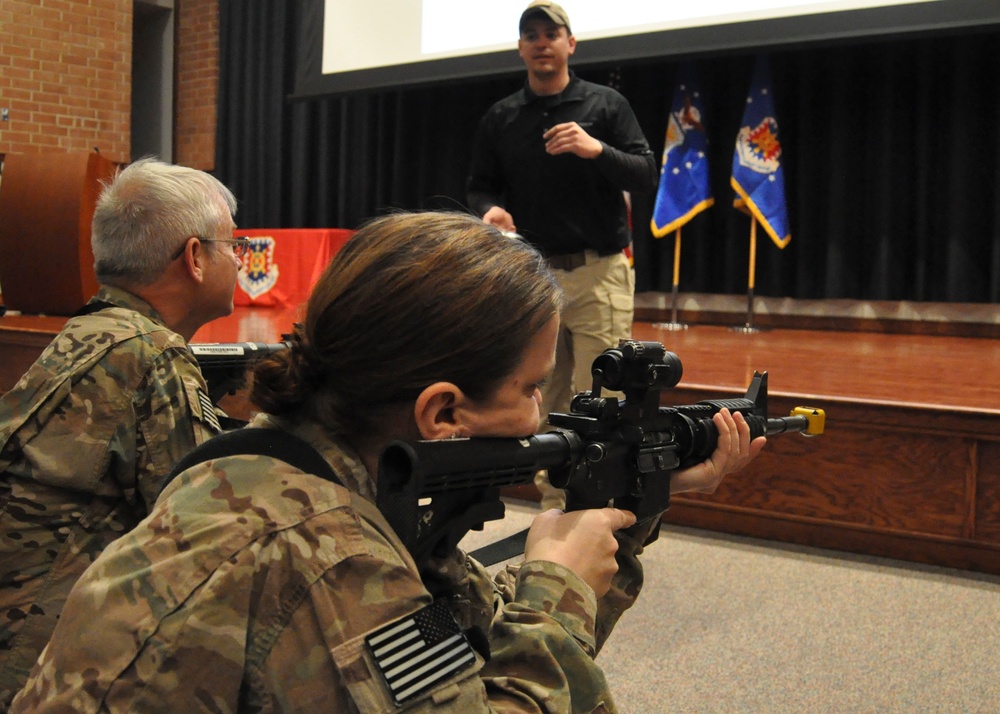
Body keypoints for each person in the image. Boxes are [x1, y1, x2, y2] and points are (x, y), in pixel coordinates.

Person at [11, 211, 764, 712]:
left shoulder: (270, 470)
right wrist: (555, 586)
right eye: (534, 388)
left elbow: (458, 649)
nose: (543, 414)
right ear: (441, 412)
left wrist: (629, 512)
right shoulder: (329, 552)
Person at [0, 158, 244, 704]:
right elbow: (207, 537)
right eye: (234, 244)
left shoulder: (91, 332)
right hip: (41, 669)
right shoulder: (153, 356)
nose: (238, 259)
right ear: (195, 258)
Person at [466, 1, 658, 508]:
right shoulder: (502, 117)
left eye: (551, 33)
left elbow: (644, 173)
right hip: (534, 280)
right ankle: (556, 505)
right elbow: (480, 187)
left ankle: (605, 503)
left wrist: (595, 149)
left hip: (598, 273)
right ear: (521, 48)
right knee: (542, 398)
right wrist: (491, 212)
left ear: (570, 44)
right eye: (531, 34)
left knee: (605, 393)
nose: (541, 42)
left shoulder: (605, 105)